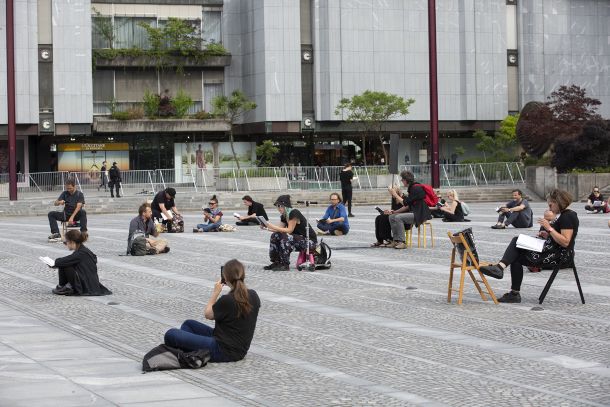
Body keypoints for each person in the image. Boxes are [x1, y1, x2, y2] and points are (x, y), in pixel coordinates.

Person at [480, 189, 579, 303]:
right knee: (516, 249)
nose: (550, 208)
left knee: (516, 241)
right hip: (552, 250)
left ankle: (501, 270)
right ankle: (513, 292)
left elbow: (566, 242)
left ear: (558, 202)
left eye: (550, 204)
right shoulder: (565, 215)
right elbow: (560, 238)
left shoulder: (568, 216)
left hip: (558, 256)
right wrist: (547, 235)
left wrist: (549, 228)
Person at [164, 259, 260, 362]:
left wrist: (215, 292)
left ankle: (190, 350)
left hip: (223, 350)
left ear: (226, 278)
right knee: (189, 324)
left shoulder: (227, 300)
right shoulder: (254, 295)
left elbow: (208, 314)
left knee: (171, 334)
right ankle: (189, 349)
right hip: (237, 348)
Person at [263, 194, 317, 271]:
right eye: (277, 206)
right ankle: (277, 262)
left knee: (286, 237)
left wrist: (271, 225)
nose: (279, 208)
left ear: (286, 206)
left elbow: (289, 230)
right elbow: (279, 229)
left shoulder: (294, 213)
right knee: (275, 235)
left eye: (280, 206)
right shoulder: (284, 216)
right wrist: (266, 227)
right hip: (298, 239)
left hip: (309, 241)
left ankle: (285, 264)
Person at [49, 230, 111, 296]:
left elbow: (63, 261)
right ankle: (64, 286)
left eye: (65, 242)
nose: (65, 245)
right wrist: (56, 264)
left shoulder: (81, 253)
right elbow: (68, 259)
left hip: (86, 284)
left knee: (64, 264)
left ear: (72, 242)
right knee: (64, 262)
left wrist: (54, 263)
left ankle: (62, 286)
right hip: (89, 282)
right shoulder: (82, 250)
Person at [387, 170, 432, 249]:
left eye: (402, 180)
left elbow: (404, 202)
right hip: (415, 212)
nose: (402, 182)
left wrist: (395, 194)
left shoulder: (416, 188)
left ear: (405, 180)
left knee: (398, 218)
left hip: (420, 214)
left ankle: (402, 242)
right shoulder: (412, 188)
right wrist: (395, 212)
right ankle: (396, 240)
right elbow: (407, 205)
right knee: (392, 216)